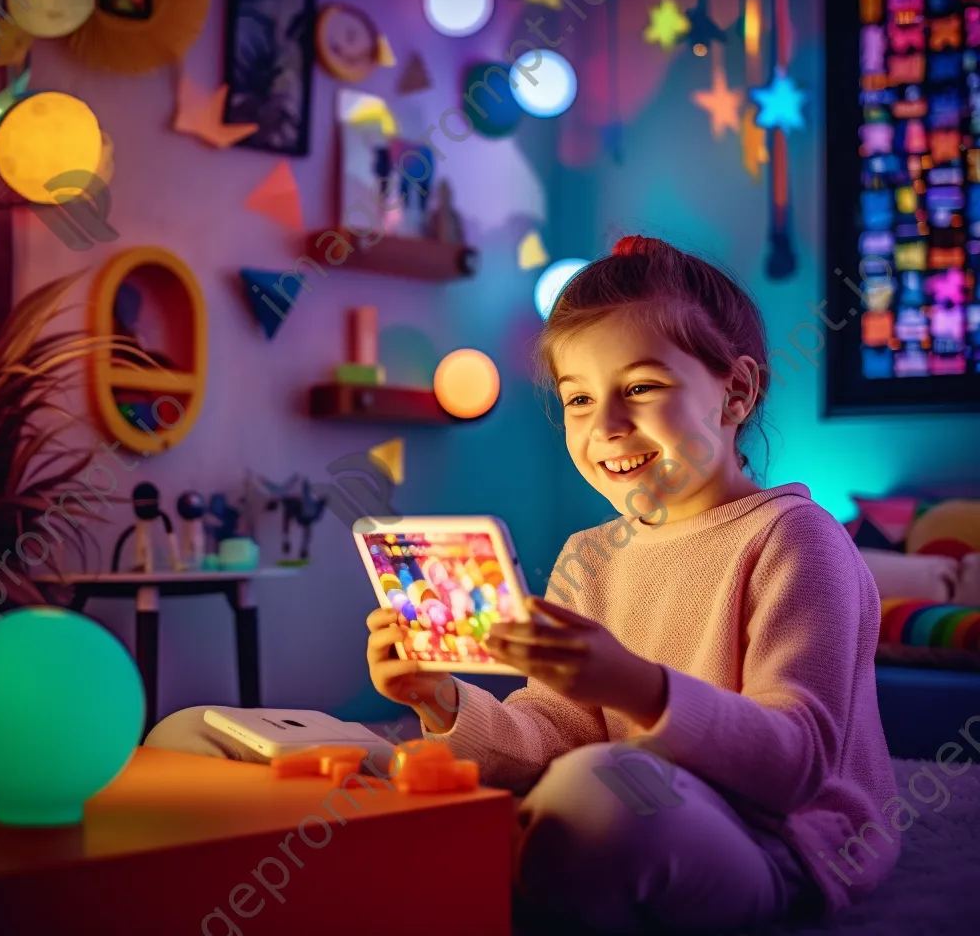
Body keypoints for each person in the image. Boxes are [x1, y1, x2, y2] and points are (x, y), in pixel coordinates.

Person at [366, 235, 899, 933]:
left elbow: (796, 765)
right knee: (322, 754)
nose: (607, 426)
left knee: (594, 795)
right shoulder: (589, 556)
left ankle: (507, 858)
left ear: (735, 392)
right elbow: (555, 731)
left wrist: (633, 686)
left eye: (641, 388)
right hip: (633, 796)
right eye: (579, 399)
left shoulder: (796, 539)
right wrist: (441, 701)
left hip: (782, 843)